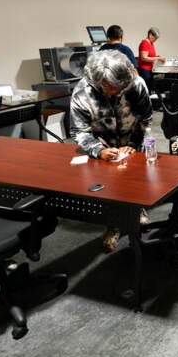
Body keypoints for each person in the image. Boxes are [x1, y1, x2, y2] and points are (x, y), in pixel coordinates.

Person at [69, 49, 153, 252]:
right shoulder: (82, 93)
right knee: (110, 188)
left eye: (118, 87)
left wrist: (133, 145)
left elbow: (146, 118)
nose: (115, 92)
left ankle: (138, 208)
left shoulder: (136, 84)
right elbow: (78, 131)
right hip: (104, 145)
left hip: (133, 140)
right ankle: (113, 225)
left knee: (137, 181)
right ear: (97, 82)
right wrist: (98, 150)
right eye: (109, 88)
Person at [137, 26, 165, 91]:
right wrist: (158, 58)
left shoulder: (151, 43)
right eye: (155, 38)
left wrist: (158, 56)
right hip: (144, 70)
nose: (155, 40)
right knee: (146, 89)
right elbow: (144, 58)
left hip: (149, 69)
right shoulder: (144, 43)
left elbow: (150, 56)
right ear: (150, 35)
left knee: (150, 87)